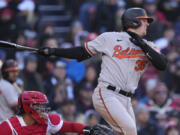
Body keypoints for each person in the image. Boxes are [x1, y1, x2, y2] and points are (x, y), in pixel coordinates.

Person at [38, 7, 167, 135]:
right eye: (144, 20)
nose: (147, 23)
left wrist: (143, 46)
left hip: (127, 99)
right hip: (108, 93)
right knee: (130, 131)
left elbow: (162, 64)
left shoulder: (148, 46)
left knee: (126, 132)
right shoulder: (110, 38)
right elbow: (82, 53)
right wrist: (54, 51)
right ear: (134, 22)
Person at [0, 91, 108, 135]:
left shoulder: (46, 121)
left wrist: (89, 130)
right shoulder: (8, 127)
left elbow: (71, 126)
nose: (42, 108)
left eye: (42, 105)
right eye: (38, 105)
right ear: (27, 107)